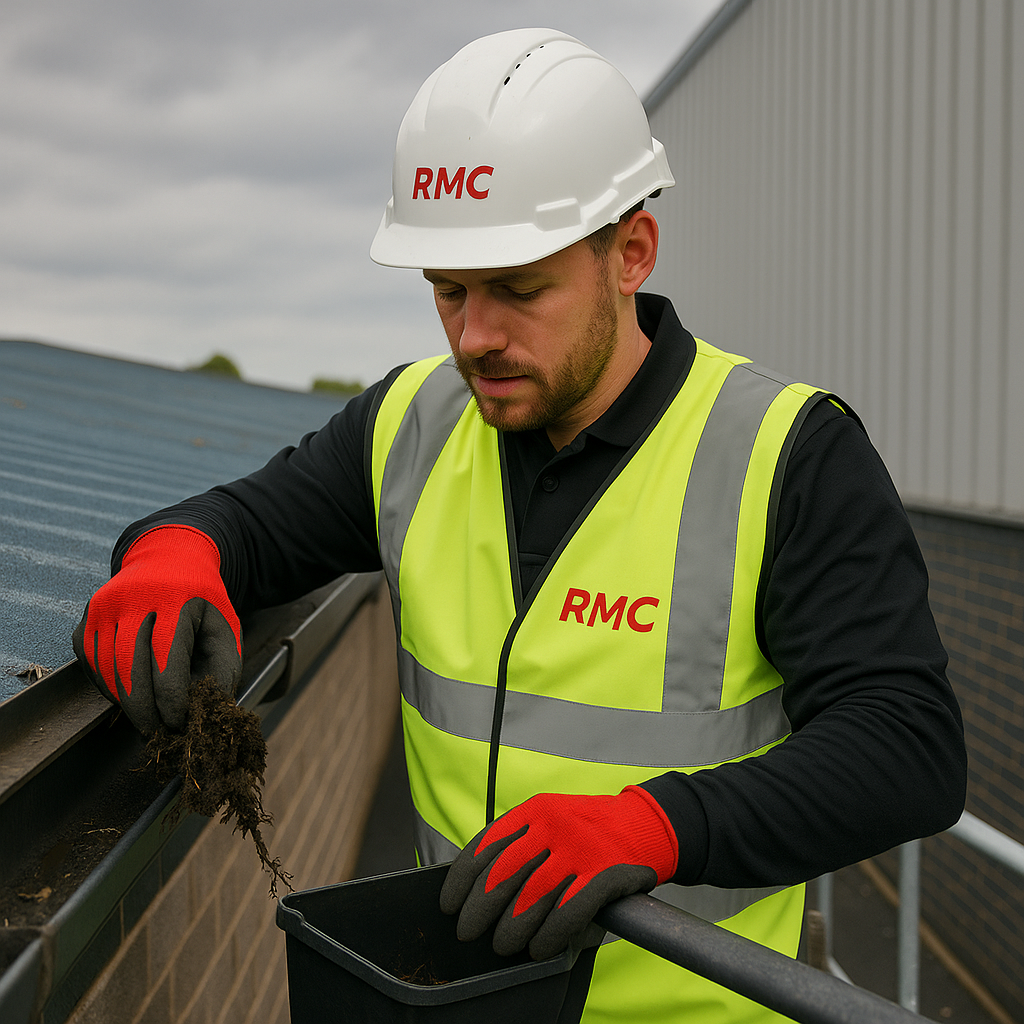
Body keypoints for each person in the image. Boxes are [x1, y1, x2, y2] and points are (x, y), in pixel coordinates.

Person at [73, 28, 967, 1024]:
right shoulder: (409, 427)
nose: (473, 337)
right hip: (460, 999)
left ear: (629, 252)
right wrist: (169, 556)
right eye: (447, 294)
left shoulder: (784, 452)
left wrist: (655, 824)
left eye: (517, 289)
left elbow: (907, 748)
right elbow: (241, 521)